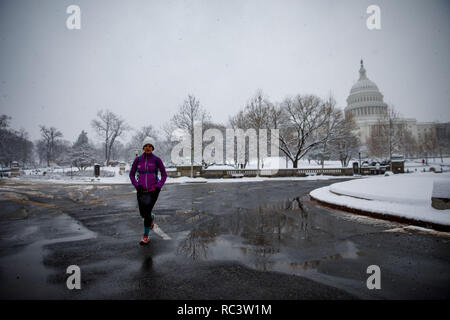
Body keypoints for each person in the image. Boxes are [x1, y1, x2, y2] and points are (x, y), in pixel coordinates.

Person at [129, 137, 167, 245]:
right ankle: (151, 217)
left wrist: (158, 186)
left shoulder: (156, 160)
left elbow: (164, 175)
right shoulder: (138, 160)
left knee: (146, 214)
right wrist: (136, 185)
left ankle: (145, 236)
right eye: (146, 146)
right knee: (143, 213)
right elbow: (131, 174)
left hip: (153, 190)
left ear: (153, 148)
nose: (148, 148)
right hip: (141, 190)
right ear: (143, 147)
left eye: (150, 146)